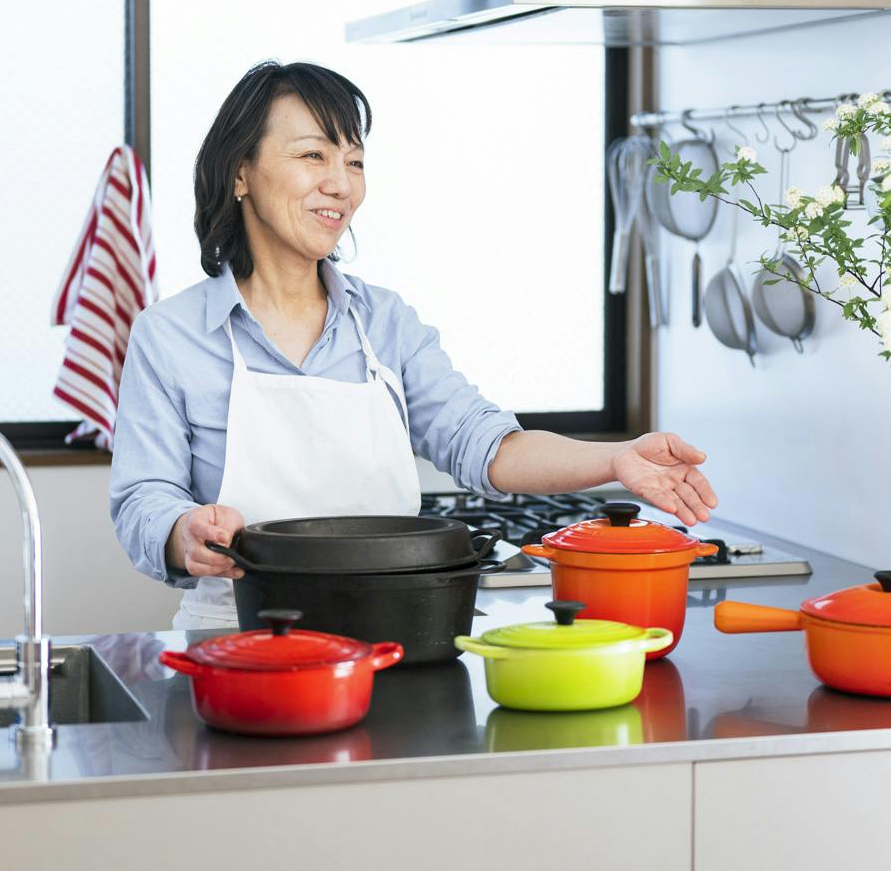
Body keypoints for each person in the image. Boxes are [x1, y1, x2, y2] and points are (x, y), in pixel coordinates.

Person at [109, 61, 718, 629]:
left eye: (354, 162)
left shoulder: (385, 324)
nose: (340, 185)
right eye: (312, 155)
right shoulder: (172, 335)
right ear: (240, 172)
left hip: (394, 634)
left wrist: (613, 461)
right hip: (236, 641)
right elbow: (144, 496)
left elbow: (484, 445)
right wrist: (181, 530)